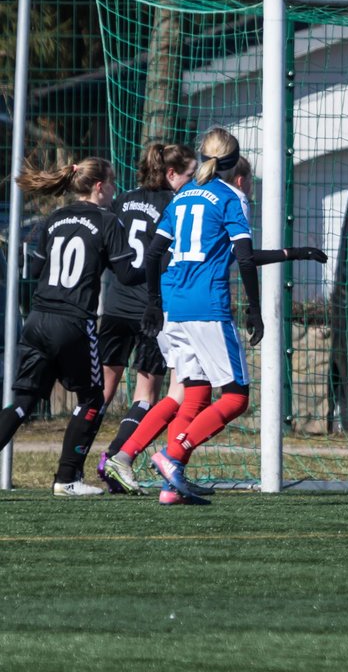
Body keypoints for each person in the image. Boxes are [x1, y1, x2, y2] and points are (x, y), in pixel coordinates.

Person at [101, 143, 327, 498]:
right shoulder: (231, 197)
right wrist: (254, 309)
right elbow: (245, 259)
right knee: (236, 398)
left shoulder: (184, 194)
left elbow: (156, 252)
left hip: (173, 305)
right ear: (236, 168)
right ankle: (172, 456)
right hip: (205, 305)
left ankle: (147, 469)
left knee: (192, 396)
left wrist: (153, 304)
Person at [0, 157, 143, 495]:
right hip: (73, 322)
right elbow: (126, 275)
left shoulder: (54, 218)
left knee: (23, 401)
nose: (114, 189)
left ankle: (68, 477)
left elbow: (33, 271)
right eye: (111, 182)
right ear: (99, 186)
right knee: (93, 397)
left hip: (37, 320)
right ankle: (67, 478)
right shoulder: (109, 221)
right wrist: (158, 263)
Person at [94, 142, 196, 491]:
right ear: (170, 172)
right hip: (151, 308)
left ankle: (72, 466)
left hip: (115, 304)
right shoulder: (175, 203)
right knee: (146, 394)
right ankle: (115, 458)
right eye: (189, 174)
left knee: (102, 392)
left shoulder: (122, 200)